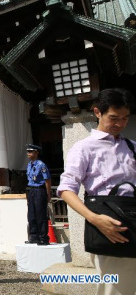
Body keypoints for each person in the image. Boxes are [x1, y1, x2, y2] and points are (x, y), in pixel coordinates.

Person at [57, 88, 136, 295]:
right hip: (108, 227)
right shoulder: (84, 148)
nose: (120, 124)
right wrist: (94, 219)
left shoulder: (132, 147)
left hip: (134, 222)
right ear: (97, 112)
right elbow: (66, 189)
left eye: (125, 118)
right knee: (116, 289)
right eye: (114, 118)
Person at [25, 144, 51, 245]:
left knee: (41, 214)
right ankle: (34, 236)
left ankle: (43, 238)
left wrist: (48, 193)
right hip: (31, 190)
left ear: (36, 153)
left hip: (40, 190)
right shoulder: (29, 165)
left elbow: (47, 180)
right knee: (31, 215)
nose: (28, 153)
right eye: (28, 152)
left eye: (31, 151)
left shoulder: (41, 165)